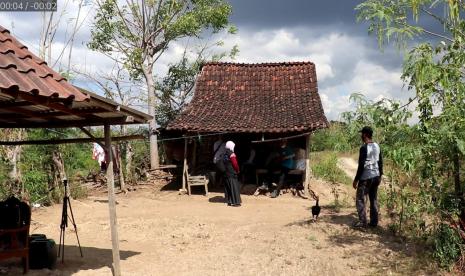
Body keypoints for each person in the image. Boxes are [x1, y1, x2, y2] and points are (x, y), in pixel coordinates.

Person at [352, 126, 383, 228]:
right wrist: (380, 176)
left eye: (362, 134)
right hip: (376, 176)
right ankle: (374, 222)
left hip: (366, 177)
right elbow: (380, 162)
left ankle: (362, 222)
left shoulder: (364, 148)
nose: (361, 135)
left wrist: (356, 180)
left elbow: (361, 165)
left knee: (360, 199)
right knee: (373, 199)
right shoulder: (377, 146)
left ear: (365, 134)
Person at [223, 141, 242, 206]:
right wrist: (237, 170)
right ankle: (236, 202)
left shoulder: (225, 153)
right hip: (231, 172)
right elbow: (235, 163)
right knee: (234, 187)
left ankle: (229, 201)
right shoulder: (231, 154)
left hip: (226, 173)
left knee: (228, 187)